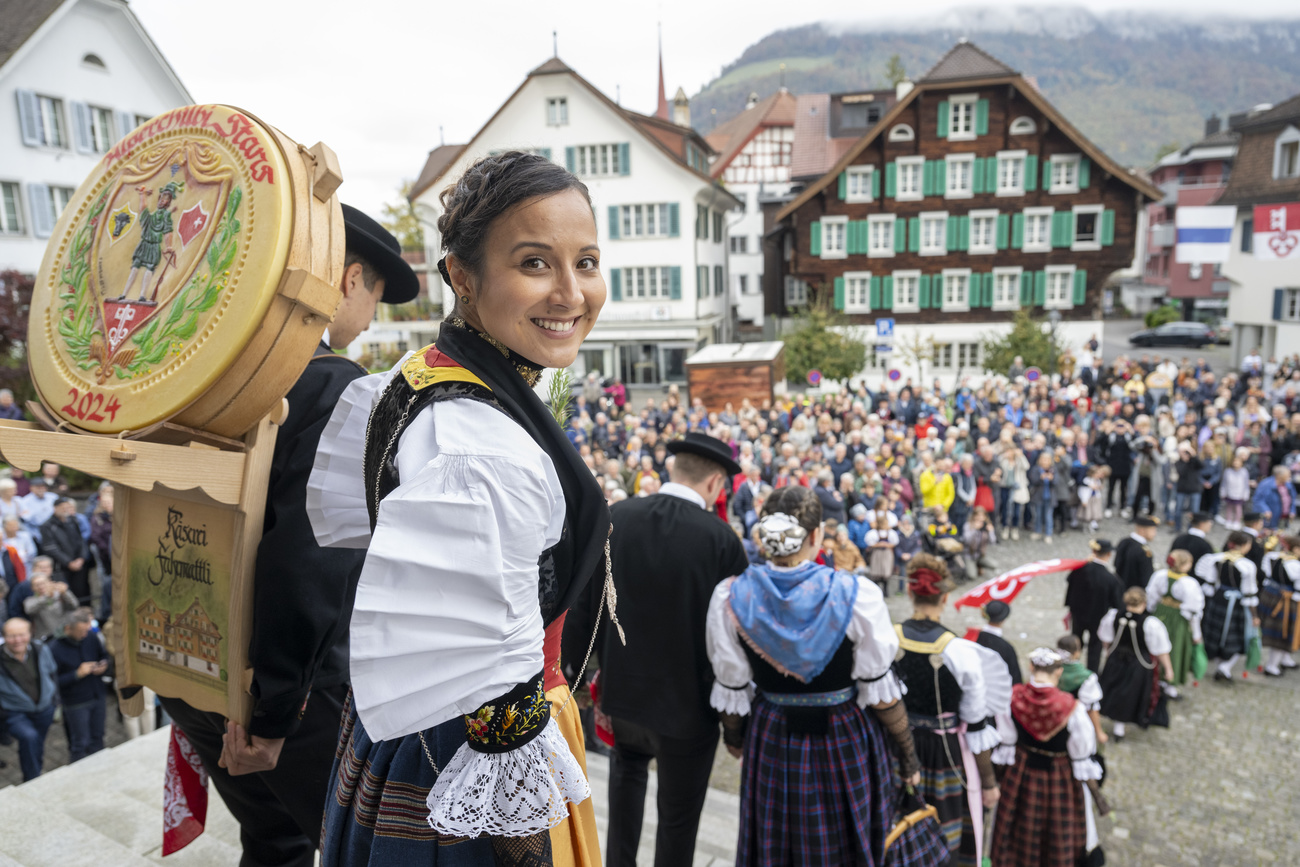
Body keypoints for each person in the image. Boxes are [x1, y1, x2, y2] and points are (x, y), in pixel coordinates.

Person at [308, 153, 610, 865]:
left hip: (410, 741)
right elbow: (500, 713)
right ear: (463, 275)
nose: (571, 292)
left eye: (587, 261)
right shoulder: (483, 449)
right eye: (536, 263)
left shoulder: (419, 377)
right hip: (466, 765)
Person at [157, 203, 419, 867]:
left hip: (186, 654)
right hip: (275, 687)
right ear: (350, 281)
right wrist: (274, 712)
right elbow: (309, 561)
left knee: (275, 838)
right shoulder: (340, 388)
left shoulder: (196, 372)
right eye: (378, 298)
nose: (371, 319)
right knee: (365, 847)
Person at [706, 486, 946, 867]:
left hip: (772, 733)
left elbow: (732, 687)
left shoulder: (731, 596)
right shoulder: (856, 593)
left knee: (775, 838)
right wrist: (908, 756)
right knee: (846, 840)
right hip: (845, 733)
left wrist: (735, 738)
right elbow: (882, 695)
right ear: (817, 535)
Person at [593, 432, 748, 867]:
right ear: (717, 483)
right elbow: (732, 636)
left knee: (625, 789)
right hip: (687, 707)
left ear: (672, 469)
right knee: (678, 822)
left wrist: (589, 678)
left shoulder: (618, 517)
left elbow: (588, 604)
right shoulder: (721, 541)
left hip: (622, 694)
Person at [896, 553, 1011, 867]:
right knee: (945, 832)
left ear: (910, 593)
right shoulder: (960, 652)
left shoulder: (887, 639)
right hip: (944, 753)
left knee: (895, 824)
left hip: (895, 746)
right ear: (945, 597)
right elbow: (975, 726)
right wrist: (988, 783)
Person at [989, 647, 1102, 867]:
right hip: (1058, 774)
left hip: (1020, 770)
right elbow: (1081, 752)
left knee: (1017, 822)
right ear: (1058, 672)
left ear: (1031, 667)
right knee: (1057, 827)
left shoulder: (1012, 696)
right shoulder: (1072, 707)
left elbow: (1007, 738)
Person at [1097, 587, 1174, 740]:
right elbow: (1161, 650)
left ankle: (1116, 724)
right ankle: (1120, 728)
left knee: (1114, 689)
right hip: (1138, 665)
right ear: (1144, 604)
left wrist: (1108, 652)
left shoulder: (1113, 616)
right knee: (1130, 695)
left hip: (1116, 660)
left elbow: (1105, 638)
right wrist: (1169, 669)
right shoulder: (1151, 624)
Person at [1195, 531, 1259, 684]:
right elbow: (1249, 594)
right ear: (1244, 546)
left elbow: (1210, 584)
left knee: (1218, 633)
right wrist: (1255, 616)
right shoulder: (1247, 566)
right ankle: (1224, 668)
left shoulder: (1216, 558)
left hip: (1218, 599)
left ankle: (1222, 666)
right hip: (1236, 604)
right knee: (1236, 634)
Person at [0, 617, 58, 781]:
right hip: (15, 713)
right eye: (12, 636)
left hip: (44, 708)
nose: (17, 640)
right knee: (29, 737)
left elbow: (52, 673)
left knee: (36, 743)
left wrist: (55, 700)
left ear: (30, 633)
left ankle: (35, 772)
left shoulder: (40, 649)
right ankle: (32, 778)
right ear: (4, 637)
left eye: (22, 635)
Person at [50, 606, 109, 762]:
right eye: (81, 631)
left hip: (97, 695)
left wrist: (104, 665)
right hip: (76, 702)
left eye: (87, 630)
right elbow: (53, 682)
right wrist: (76, 674)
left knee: (98, 737)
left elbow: (104, 655)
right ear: (68, 628)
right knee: (80, 743)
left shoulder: (90, 636)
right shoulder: (54, 648)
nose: (85, 634)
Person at [1146, 550, 1205, 688]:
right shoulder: (1190, 583)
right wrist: (1196, 633)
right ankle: (1169, 682)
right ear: (1185, 565)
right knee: (1175, 648)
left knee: (1155, 644)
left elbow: (1151, 596)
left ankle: (1155, 676)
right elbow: (1194, 610)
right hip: (1178, 618)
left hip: (1160, 613)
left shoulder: (1159, 575)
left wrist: (1151, 612)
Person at [1065, 540, 1124, 672]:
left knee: (1075, 642)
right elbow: (1117, 604)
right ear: (1108, 554)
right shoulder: (1110, 578)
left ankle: (1071, 668)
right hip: (1098, 618)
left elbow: (1069, 582)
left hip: (1078, 614)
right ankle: (1092, 673)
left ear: (1093, 552)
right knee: (1095, 648)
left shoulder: (1080, 569)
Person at [1258, 535, 1300, 677]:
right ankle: (1271, 666)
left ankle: (1285, 659)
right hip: (1287, 601)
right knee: (1283, 633)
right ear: (1295, 549)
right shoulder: (1295, 565)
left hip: (1270, 594)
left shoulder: (1272, 556)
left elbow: (1267, 575)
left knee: (1287, 632)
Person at [1055, 634, 1106, 746]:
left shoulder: (1051, 669)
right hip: (1075, 721)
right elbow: (1092, 708)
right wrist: (1099, 732)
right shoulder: (1087, 677)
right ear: (1077, 652)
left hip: (1054, 716)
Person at [40, 497, 90, 604]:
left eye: (67, 507)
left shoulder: (73, 521)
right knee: (66, 595)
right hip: (62, 568)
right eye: (63, 507)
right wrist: (68, 562)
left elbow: (81, 541)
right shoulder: (47, 526)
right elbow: (51, 548)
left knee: (82, 591)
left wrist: (81, 558)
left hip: (79, 564)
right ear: (55, 508)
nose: (65, 510)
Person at [21, 570, 77, 641]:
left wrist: (65, 593)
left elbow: (74, 605)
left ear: (49, 582)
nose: (41, 586)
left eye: (43, 583)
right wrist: (47, 596)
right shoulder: (30, 601)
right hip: (46, 637)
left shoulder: (60, 593)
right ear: (32, 588)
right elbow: (29, 610)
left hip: (65, 633)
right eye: (37, 585)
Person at [1114, 515, 1157, 591]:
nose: (1155, 533)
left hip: (1120, 588)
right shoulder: (1144, 551)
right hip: (1136, 593)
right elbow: (1146, 577)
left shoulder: (1124, 542)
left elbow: (1116, 563)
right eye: (1152, 530)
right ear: (1142, 530)